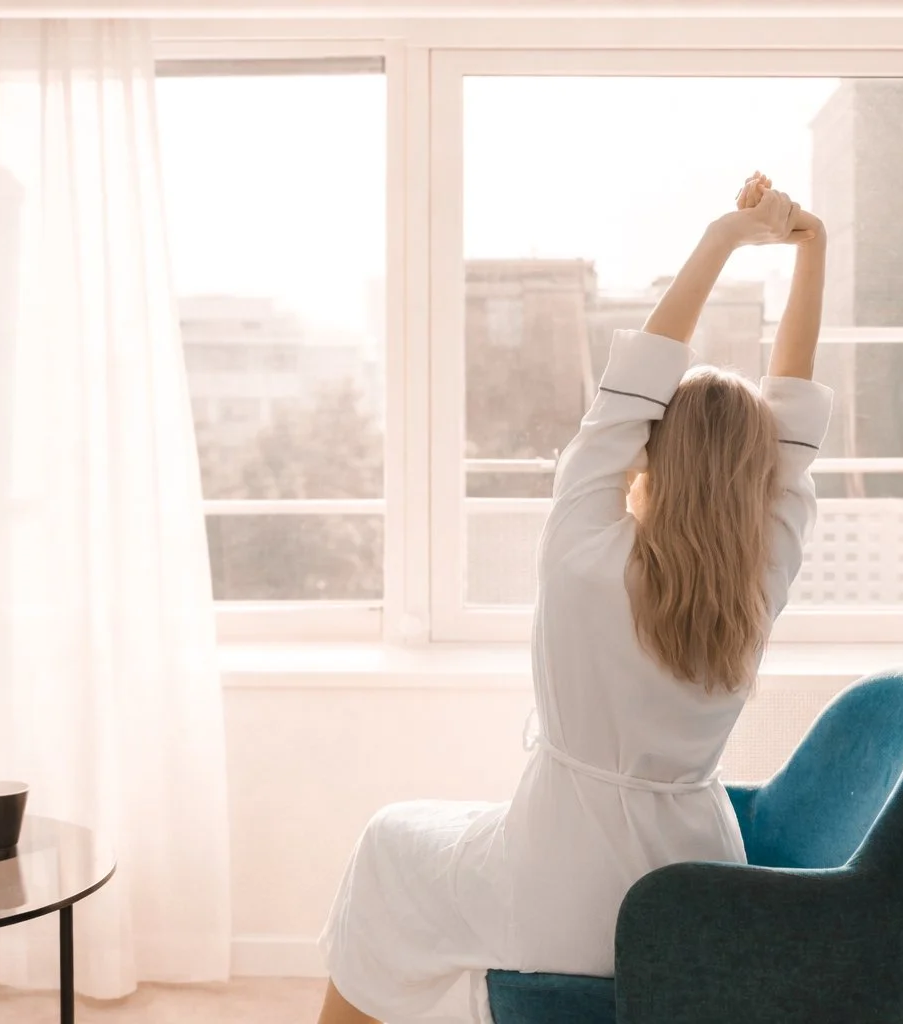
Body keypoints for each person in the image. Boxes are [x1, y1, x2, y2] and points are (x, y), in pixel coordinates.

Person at [316, 172, 833, 1024]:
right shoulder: (760, 576)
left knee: (389, 844)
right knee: (412, 844)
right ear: (759, 476)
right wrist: (812, 247)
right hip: (691, 895)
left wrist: (724, 237)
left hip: (558, 889)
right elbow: (794, 412)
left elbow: (626, 392)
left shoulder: (582, 547)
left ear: (646, 455)